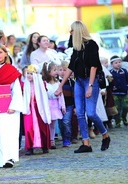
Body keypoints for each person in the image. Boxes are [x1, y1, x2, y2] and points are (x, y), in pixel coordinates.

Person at [55, 20, 111, 153]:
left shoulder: (91, 45)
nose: (70, 32)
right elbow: (70, 67)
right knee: (80, 113)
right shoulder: (76, 47)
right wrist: (60, 86)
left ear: (78, 31)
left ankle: (105, 135)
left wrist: (90, 86)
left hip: (91, 80)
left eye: (72, 30)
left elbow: (93, 66)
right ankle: (86, 143)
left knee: (91, 113)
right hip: (79, 81)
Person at [22, 64, 51, 155]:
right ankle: (29, 147)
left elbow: (43, 96)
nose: (29, 75)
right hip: (29, 109)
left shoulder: (40, 84)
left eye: (31, 73)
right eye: (28, 73)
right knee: (28, 127)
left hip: (39, 108)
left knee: (42, 126)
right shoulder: (24, 85)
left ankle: (44, 145)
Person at [42, 62, 66, 149]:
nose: (56, 72)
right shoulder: (44, 83)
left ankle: (52, 140)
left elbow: (61, 95)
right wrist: (54, 94)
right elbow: (46, 94)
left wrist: (63, 106)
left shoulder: (57, 83)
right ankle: (46, 140)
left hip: (55, 106)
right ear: (48, 72)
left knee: (52, 124)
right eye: (54, 70)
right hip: (48, 105)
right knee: (47, 123)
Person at [109, 55, 128, 128]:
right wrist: (112, 88)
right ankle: (118, 121)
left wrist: (127, 87)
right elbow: (109, 82)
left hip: (124, 93)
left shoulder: (124, 71)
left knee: (126, 106)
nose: (118, 64)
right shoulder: (110, 72)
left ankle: (124, 117)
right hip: (115, 93)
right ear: (112, 64)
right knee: (117, 108)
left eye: (119, 62)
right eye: (116, 63)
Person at [57, 60, 75, 147]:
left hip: (68, 105)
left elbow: (74, 96)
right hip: (58, 106)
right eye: (60, 70)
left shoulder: (71, 83)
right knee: (61, 123)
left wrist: (75, 106)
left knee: (66, 121)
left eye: (65, 70)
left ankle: (67, 138)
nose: (63, 72)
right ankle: (64, 136)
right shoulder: (56, 82)